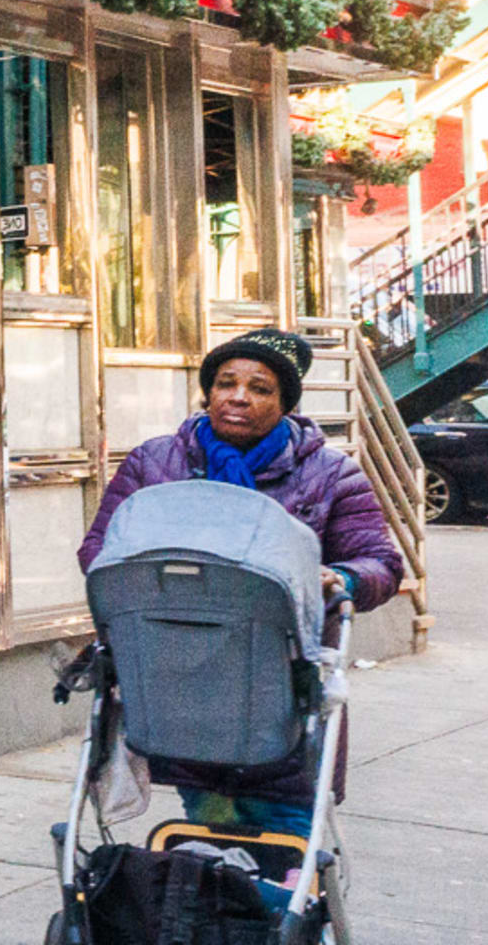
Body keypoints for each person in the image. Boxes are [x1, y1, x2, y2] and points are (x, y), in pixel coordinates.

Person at [80, 326, 400, 845]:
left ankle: (285, 912)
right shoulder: (156, 463)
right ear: (208, 391)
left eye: (260, 388)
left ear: (285, 402)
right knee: (207, 828)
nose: (238, 397)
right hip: (181, 668)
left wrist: (339, 577)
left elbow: (381, 563)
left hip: (284, 677)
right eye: (226, 382)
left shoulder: (331, 473)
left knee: (287, 838)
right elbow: (100, 550)